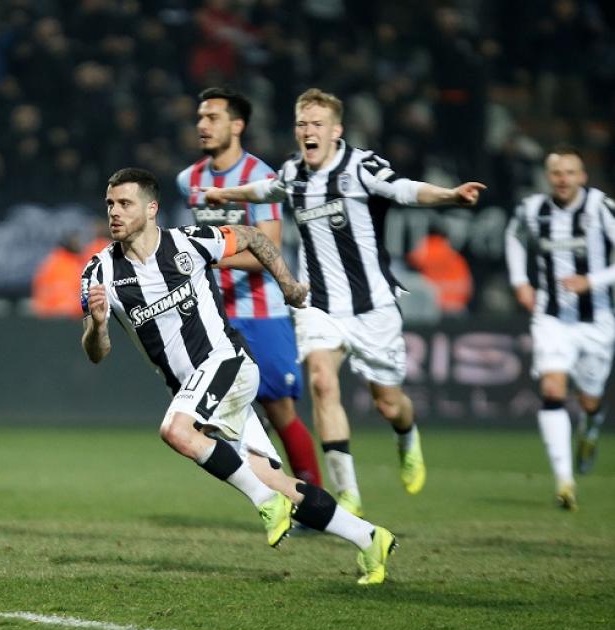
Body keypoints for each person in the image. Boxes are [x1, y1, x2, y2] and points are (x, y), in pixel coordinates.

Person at [82, 167, 397, 585]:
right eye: (110, 204)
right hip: (197, 391)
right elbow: (96, 353)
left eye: (125, 203)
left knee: (176, 430)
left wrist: (288, 284)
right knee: (278, 481)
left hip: (227, 362)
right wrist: (99, 326)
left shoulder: (189, 242)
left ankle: (265, 502)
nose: (114, 212)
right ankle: (370, 538)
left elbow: (254, 237)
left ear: (151, 208)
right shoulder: (99, 273)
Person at [204, 88, 486, 516]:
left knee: (388, 403)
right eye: (302, 124)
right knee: (322, 381)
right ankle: (348, 494)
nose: (308, 132)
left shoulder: (361, 167)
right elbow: (270, 190)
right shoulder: (294, 171)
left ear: (336, 131)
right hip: (318, 304)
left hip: (373, 307)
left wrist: (450, 195)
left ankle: (407, 434)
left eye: (317, 124)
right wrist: (229, 195)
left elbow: (405, 190)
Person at [177, 87, 322, 487]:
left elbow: (267, 250)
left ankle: (316, 501)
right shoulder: (189, 180)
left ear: (237, 125)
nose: (202, 125)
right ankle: (271, 494)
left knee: (280, 411)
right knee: (223, 420)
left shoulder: (261, 178)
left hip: (262, 314)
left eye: (213, 117)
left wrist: (206, 258)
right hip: (216, 318)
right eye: (200, 117)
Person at [505, 146, 615, 510]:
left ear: (582, 176)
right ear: (548, 177)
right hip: (551, 316)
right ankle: (564, 481)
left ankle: (591, 427)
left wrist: (592, 281)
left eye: (570, 172)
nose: (563, 179)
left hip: (597, 320)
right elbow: (514, 236)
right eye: (556, 173)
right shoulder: (533, 209)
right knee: (552, 388)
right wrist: (520, 281)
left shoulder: (600, 207)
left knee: (589, 400)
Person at [407, 224, 473, 315]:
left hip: (434, 308)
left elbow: (409, 269)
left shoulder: (424, 249)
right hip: (457, 306)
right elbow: (469, 288)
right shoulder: (457, 257)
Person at [31, 232, 85, 318]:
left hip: (72, 315)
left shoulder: (77, 262)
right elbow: (42, 290)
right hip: (56, 315)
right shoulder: (55, 263)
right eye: (75, 241)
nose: (79, 244)